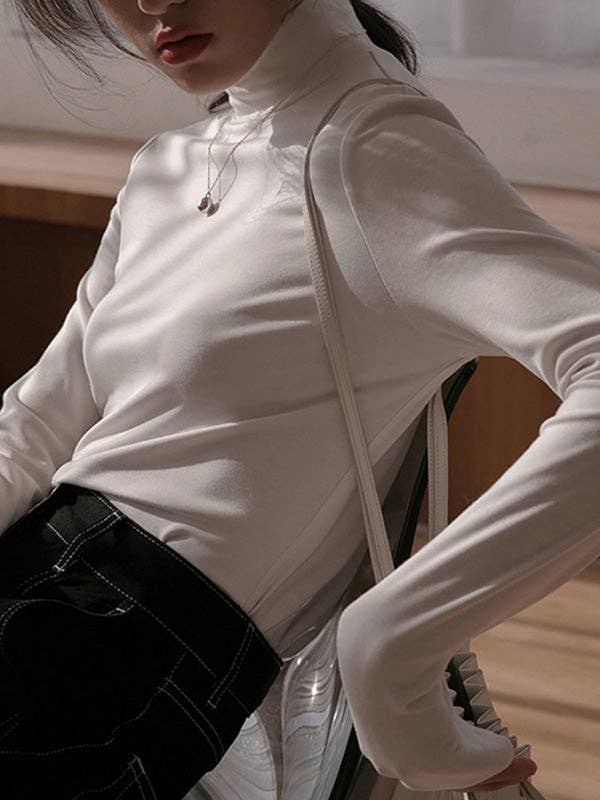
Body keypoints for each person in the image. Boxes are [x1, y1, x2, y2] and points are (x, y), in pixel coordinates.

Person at [3, 0, 599, 795]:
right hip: (40, 579)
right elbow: (38, 421)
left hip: (121, 649)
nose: (151, 3)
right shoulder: (170, 163)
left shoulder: (373, 149)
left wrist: (391, 644)